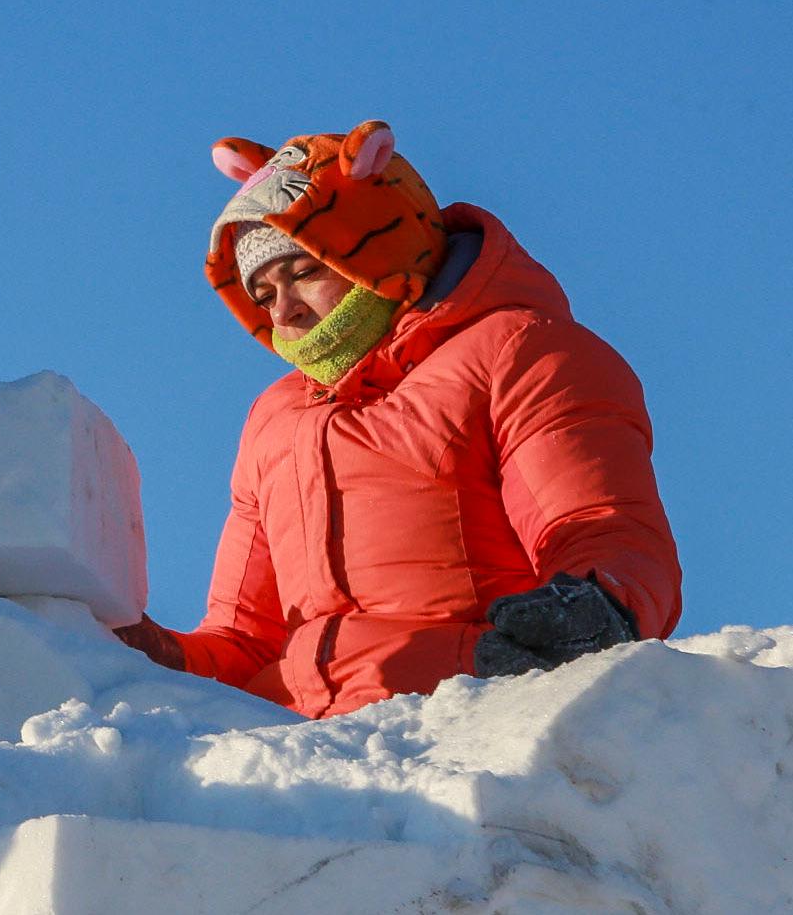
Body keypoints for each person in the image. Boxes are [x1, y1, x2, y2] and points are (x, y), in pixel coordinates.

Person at [111, 121, 681, 718]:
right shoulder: (275, 418)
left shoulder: (517, 350)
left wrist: (596, 607)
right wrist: (138, 651)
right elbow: (244, 641)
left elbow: (602, 529)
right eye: (262, 294)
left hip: (467, 717)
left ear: (371, 249)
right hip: (299, 747)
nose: (286, 310)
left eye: (305, 272)